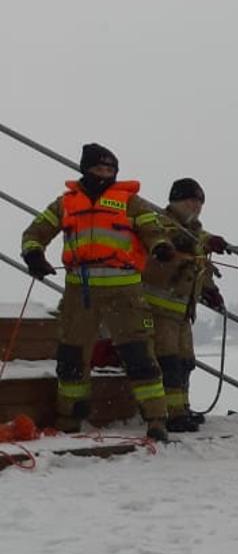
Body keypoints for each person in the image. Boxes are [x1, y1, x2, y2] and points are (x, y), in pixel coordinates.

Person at [19, 143, 176, 441]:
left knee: (140, 355)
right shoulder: (65, 204)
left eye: (110, 170)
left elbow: (154, 230)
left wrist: (161, 247)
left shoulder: (131, 201)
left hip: (125, 292)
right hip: (80, 292)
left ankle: (156, 419)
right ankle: (69, 419)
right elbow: (34, 233)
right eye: (98, 168)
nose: (104, 174)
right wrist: (34, 255)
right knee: (72, 357)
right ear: (85, 170)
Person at [143, 178, 229, 433]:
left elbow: (199, 263)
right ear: (175, 201)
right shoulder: (158, 223)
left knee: (185, 362)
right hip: (158, 310)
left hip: (182, 312)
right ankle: (170, 414)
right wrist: (199, 242)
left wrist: (210, 291)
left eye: (200, 202)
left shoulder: (194, 232)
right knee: (167, 361)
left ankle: (182, 408)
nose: (196, 206)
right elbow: (172, 242)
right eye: (191, 200)